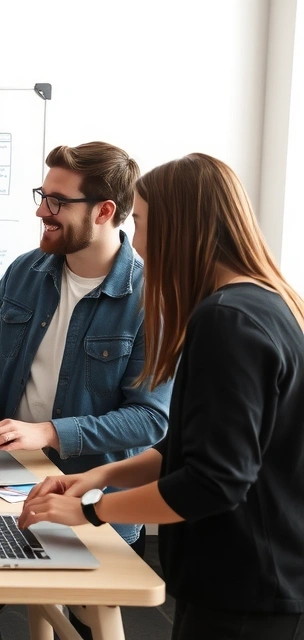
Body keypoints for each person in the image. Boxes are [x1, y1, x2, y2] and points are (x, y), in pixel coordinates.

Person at [21, 153, 304, 640]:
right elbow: (195, 447)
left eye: (144, 222)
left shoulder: (226, 320)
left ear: (180, 228)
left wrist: (92, 510)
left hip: (246, 588)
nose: (140, 239)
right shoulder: (265, 302)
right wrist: (100, 476)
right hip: (261, 578)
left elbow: (213, 481)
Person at [0, 142, 173, 640]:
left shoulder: (151, 295)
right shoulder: (24, 272)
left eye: (57, 202)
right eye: (42, 196)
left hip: (95, 497)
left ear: (105, 210)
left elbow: (150, 419)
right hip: (2, 480)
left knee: (91, 626)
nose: (41, 211)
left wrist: (47, 431)